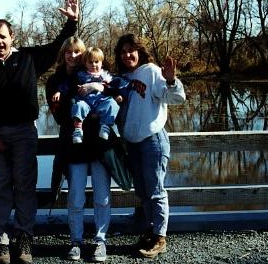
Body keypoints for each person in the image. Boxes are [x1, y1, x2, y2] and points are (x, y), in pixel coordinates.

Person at [0, 0, 79, 264]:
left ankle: (24, 238)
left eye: (3, 36)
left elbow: (55, 48)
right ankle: (2, 240)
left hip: (24, 132)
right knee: (0, 186)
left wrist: (71, 24)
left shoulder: (29, 58)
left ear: (12, 37)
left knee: (25, 186)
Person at [113, 33, 186, 259]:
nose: (127, 55)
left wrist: (172, 80)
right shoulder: (123, 78)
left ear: (140, 51)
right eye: (123, 52)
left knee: (155, 190)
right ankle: (150, 231)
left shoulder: (152, 71)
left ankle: (160, 237)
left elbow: (175, 98)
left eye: (131, 50)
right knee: (143, 192)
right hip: (133, 144)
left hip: (152, 140)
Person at [46, 37, 114, 262]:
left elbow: (115, 96)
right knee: (75, 197)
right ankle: (76, 241)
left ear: (85, 57)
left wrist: (101, 92)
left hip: (99, 144)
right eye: (69, 52)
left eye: (78, 53)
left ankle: (100, 241)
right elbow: (59, 115)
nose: (73, 56)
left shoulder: (100, 74)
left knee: (102, 197)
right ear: (63, 54)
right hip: (75, 146)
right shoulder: (60, 81)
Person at [70, 47, 127, 144]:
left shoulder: (107, 76)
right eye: (90, 62)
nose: (94, 65)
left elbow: (119, 85)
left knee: (112, 103)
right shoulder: (80, 75)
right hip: (86, 102)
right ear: (85, 63)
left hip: (101, 103)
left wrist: (119, 95)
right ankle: (78, 130)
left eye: (96, 62)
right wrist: (58, 91)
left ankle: (105, 126)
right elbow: (69, 86)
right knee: (78, 106)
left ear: (102, 63)